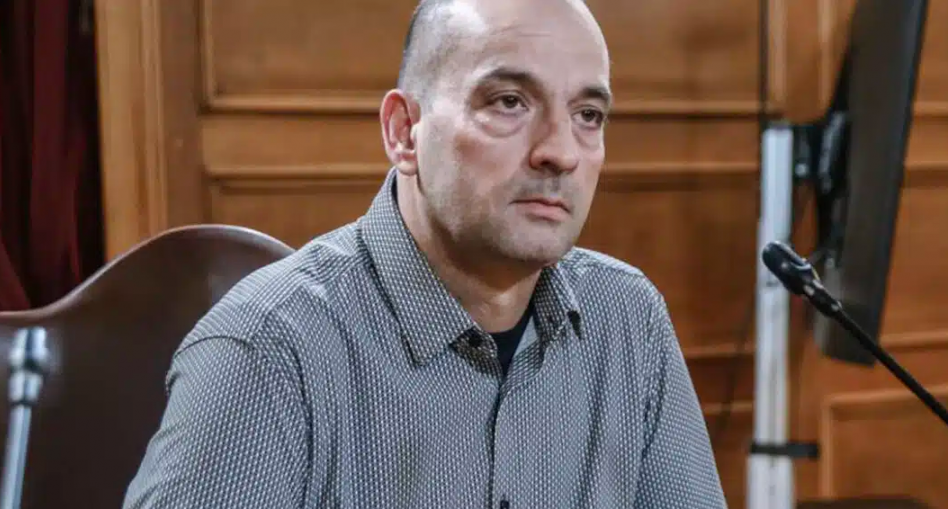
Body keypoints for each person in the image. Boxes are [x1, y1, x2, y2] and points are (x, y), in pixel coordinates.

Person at [123, 0, 727, 507]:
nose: (561, 152)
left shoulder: (628, 318)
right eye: (509, 102)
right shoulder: (267, 352)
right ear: (404, 132)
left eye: (588, 115)